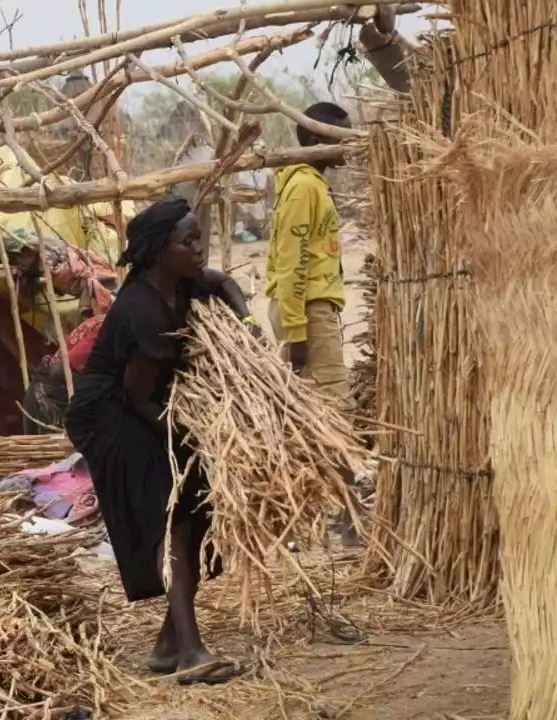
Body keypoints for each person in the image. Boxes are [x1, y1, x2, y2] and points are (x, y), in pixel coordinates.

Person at [64, 196, 257, 685]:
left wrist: (247, 324)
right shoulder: (142, 312)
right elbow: (138, 396)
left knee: (194, 508)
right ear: (157, 251)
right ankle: (190, 651)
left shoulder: (179, 281)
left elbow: (223, 282)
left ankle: (169, 645)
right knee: (169, 515)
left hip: (152, 409)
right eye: (187, 241)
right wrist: (206, 434)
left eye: (198, 237)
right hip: (114, 415)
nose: (198, 248)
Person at [266, 101, 360, 544]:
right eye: (342, 136)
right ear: (320, 139)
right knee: (333, 411)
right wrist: (298, 331)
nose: (349, 145)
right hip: (309, 311)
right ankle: (344, 513)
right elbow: (293, 262)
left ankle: (308, 514)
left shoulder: (305, 183)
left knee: (309, 413)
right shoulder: (305, 187)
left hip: (309, 308)